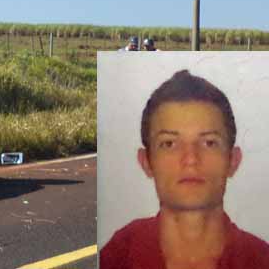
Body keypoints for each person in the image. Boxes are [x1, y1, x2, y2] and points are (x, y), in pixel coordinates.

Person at [100, 70, 269, 269]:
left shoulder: (261, 259)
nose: (190, 159)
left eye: (209, 143)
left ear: (233, 160)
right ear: (146, 162)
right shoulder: (117, 256)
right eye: (169, 143)